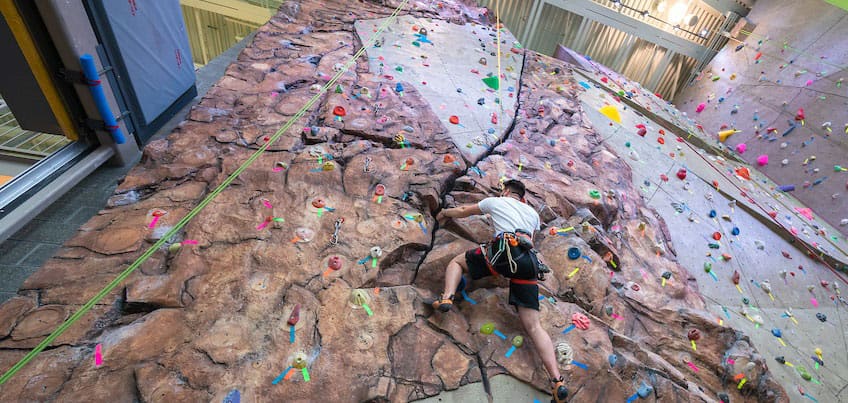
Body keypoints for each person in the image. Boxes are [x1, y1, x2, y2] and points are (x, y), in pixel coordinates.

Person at [430, 179, 568, 403]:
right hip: (528, 263)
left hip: (503, 254)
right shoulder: (533, 214)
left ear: (505, 191)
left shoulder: (496, 201)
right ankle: (557, 381)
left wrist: (444, 212)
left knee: (456, 262)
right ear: (522, 198)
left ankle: (446, 298)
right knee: (534, 326)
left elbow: (465, 210)